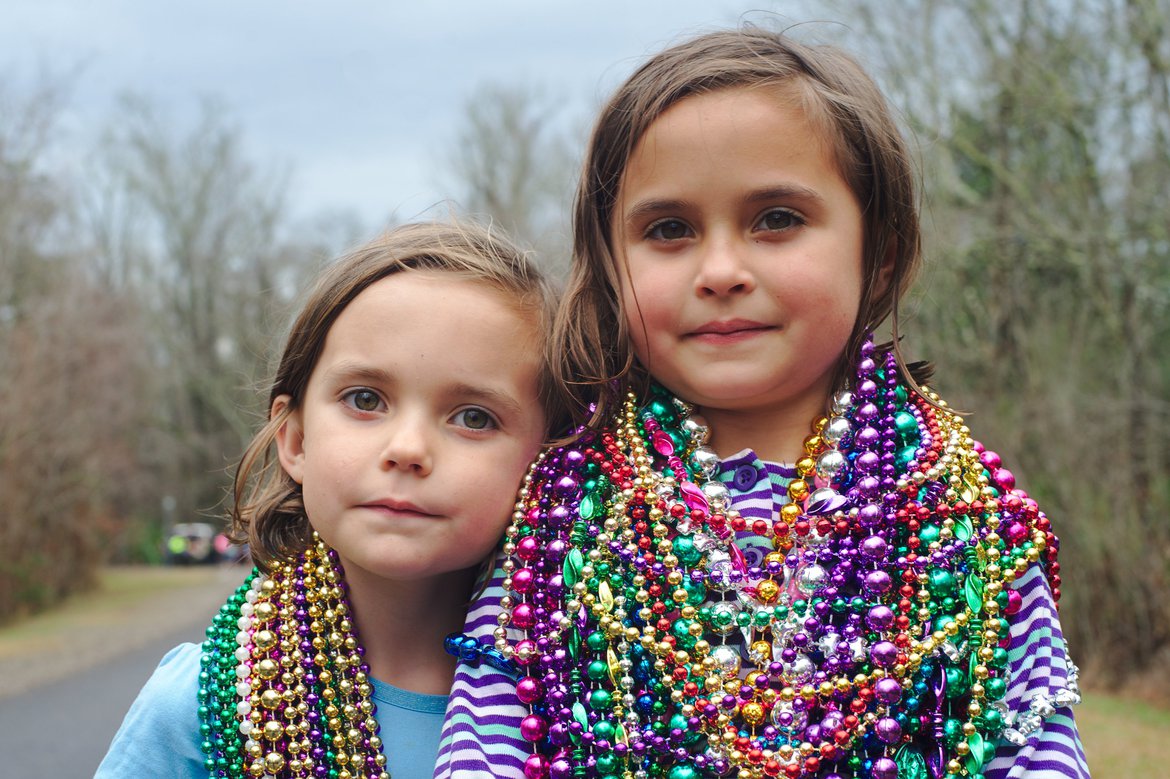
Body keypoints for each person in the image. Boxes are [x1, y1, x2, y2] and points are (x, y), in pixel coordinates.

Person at [444, 27, 1089, 779]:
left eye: (777, 218)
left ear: (877, 251)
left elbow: (1038, 744)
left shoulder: (962, 512)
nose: (721, 270)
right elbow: (487, 747)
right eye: (669, 230)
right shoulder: (561, 514)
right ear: (610, 268)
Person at [96, 220, 563, 779]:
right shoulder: (197, 712)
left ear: (548, 458)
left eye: (473, 417)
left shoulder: (590, 710)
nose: (408, 449)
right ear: (294, 439)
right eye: (365, 399)